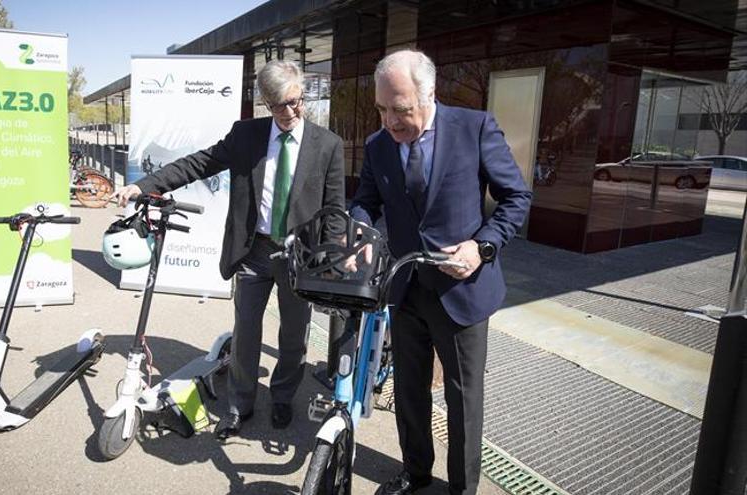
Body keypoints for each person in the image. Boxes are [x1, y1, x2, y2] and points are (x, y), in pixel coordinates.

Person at [112, 60, 345, 440]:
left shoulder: (327, 145)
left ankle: (284, 396)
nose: (290, 112)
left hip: (299, 257)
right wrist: (146, 185)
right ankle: (239, 406)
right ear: (265, 103)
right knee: (246, 331)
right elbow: (199, 163)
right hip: (254, 252)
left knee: (293, 335)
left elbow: (335, 210)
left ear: (303, 96)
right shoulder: (247, 136)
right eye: (279, 105)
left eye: (296, 102)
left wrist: (332, 256)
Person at [349, 50, 531, 495]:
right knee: (409, 391)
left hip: (463, 288)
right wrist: (358, 232)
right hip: (406, 286)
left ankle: (461, 488)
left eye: (401, 109)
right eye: (382, 108)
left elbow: (516, 198)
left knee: (462, 399)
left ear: (429, 94)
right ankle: (415, 473)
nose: (389, 121)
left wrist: (482, 247)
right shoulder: (378, 145)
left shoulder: (475, 128)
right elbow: (365, 202)